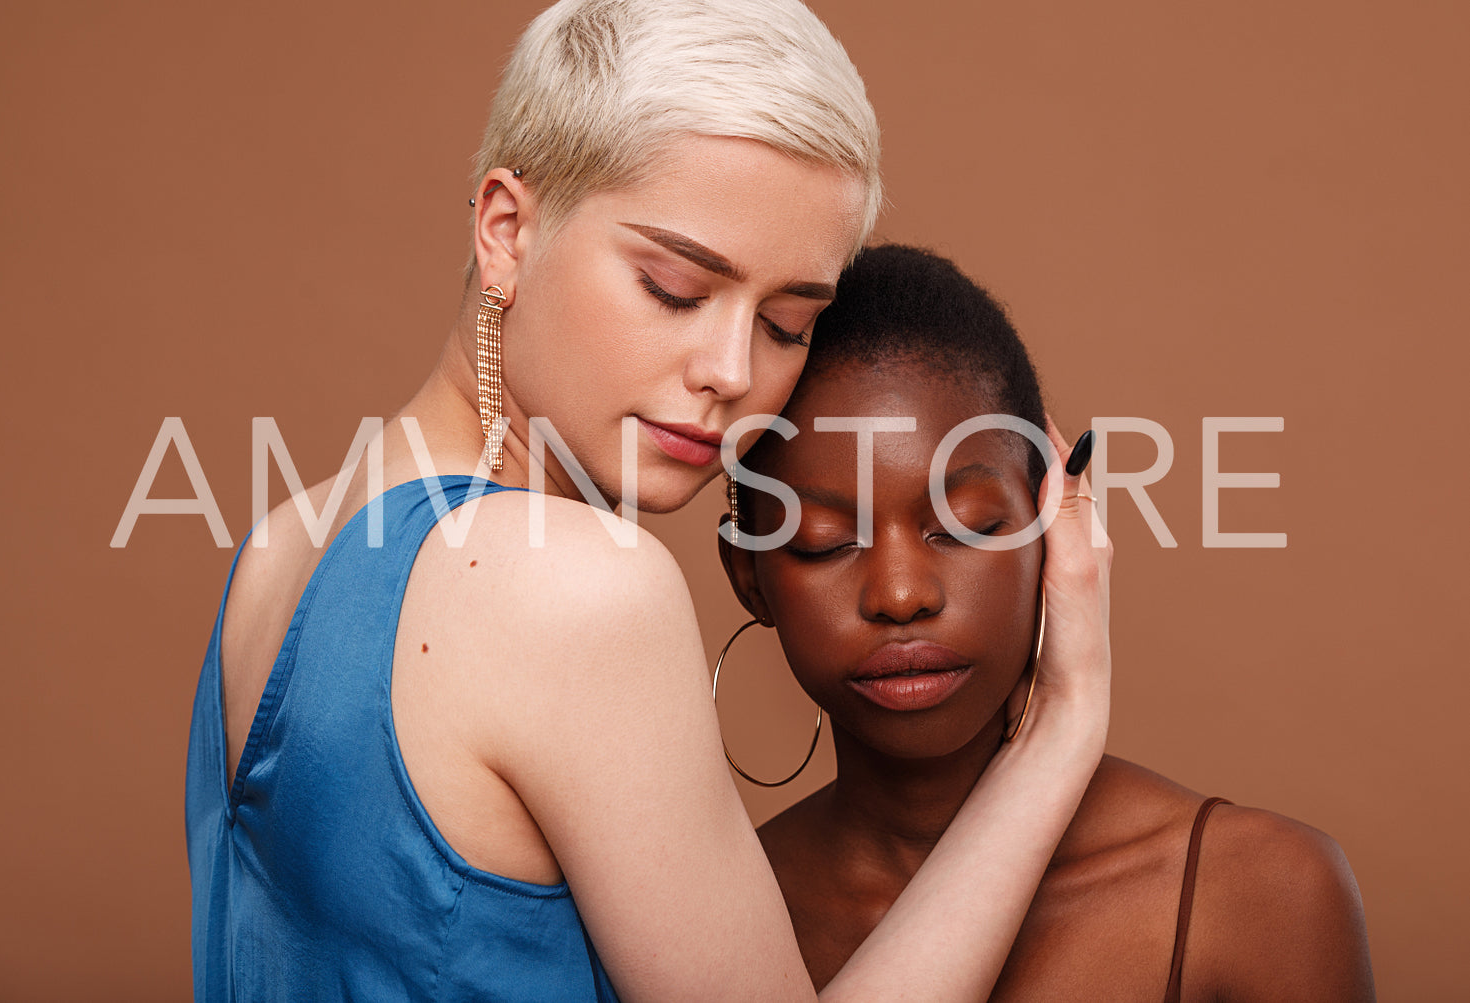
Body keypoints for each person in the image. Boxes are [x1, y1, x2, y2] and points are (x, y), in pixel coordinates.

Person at [185, 3, 1113, 1000]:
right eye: (673, 288)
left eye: (786, 323)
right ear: (505, 230)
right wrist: (1059, 724)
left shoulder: (279, 547)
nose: (728, 371)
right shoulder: (577, 586)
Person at [720, 244, 1376, 1002]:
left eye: (963, 527)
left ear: (1054, 532)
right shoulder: (707, 923)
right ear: (750, 580)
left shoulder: (1256, 892)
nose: (900, 594)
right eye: (824, 542)